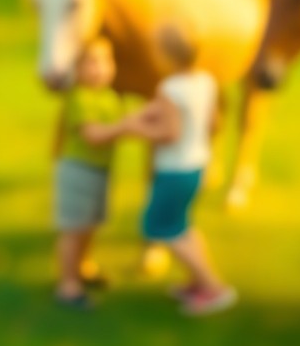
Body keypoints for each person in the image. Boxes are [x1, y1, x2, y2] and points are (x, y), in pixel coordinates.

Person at [84, 24, 237, 316]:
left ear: (164, 55)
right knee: (181, 225)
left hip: (173, 170)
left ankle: (214, 288)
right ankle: (197, 283)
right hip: (196, 164)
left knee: (159, 227)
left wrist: (132, 129)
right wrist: (147, 114)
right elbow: (209, 121)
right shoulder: (204, 81)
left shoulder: (169, 88)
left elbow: (170, 133)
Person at [52, 38, 124, 309]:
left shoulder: (109, 97)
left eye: (107, 60)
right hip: (77, 171)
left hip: (99, 171)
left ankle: (83, 267)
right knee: (73, 228)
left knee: (90, 224)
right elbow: (94, 136)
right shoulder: (79, 97)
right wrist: (131, 126)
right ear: (76, 68)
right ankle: (68, 285)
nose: (101, 68)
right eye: (92, 62)